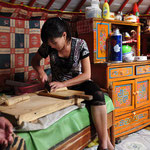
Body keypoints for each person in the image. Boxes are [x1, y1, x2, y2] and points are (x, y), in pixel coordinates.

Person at [31, 17, 114, 150]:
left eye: (54, 42)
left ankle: (103, 144)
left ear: (64, 35)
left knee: (98, 94)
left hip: (78, 82)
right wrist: (41, 72)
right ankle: (108, 145)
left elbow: (87, 75)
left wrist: (63, 84)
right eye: (49, 43)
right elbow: (34, 61)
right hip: (59, 88)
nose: (51, 45)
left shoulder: (80, 44)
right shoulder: (48, 45)